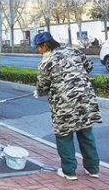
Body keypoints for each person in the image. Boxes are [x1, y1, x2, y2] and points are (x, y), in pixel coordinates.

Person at [33, 31, 102, 181]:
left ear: (45, 45)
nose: (38, 50)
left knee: (64, 136)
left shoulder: (46, 61)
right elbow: (89, 66)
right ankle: (93, 169)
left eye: (38, 47)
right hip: (85, 99)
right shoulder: (73, 51)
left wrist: (38, 92)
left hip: (64, 103)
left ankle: (69, 171)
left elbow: (43, 85)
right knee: (86, 133)